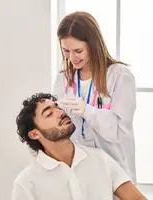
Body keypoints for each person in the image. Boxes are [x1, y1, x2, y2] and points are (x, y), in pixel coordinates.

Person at [11, 93, 147, 200]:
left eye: (57, 107)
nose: (60, 112)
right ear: (35, 134)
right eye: (49, 114)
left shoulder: (101, 159)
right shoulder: (26, 183)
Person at [53, 11, 137, 183]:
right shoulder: (63, 79)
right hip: (79, 170)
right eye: (66, 50)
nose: (72, 58)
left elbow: (119, 132)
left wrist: (87, 111)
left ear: (93, 45)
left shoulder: (119, 76)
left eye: (78, 50)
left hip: (114, 168)